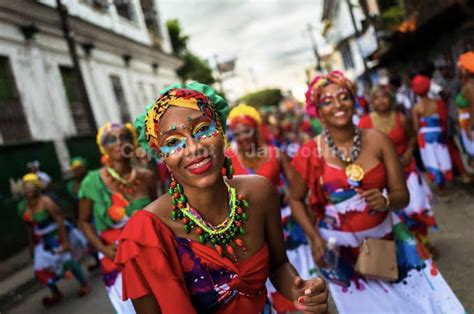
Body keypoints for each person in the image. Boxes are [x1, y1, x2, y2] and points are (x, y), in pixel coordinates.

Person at [114, 83, 328, 314]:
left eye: (203, 128)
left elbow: (278, 266)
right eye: (173, 142)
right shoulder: (145, 234)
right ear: (160, 155)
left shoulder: (260, 193)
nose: (193, 148)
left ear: (222, 133)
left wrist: (301, 292)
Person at [289, 71, 464, 313]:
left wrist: (386, 200)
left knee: (424, 304)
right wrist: (314, 237)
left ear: (354, 101)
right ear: (317, 111)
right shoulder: (309, 152)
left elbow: (402, 196)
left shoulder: (378, 140)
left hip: (389, 241)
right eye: (327, 101)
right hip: (341, 253)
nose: (338, 105)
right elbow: (295, 199)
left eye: (343, 97)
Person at [226, 103, 316, 312]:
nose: (242, 137)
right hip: (252, 230)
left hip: (285, 225)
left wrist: (284, 193)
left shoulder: (275, 154)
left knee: (299, 277)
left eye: (246, 131)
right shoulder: (228, 158)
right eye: (236, 133)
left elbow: (297, 188)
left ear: (256, 129)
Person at [78, 122, 156, 313]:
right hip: (116, 257)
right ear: (103, 147)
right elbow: (83, 221)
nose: (119, 142)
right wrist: (103, 249)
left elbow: (158, 214)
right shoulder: (91, 182)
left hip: (151, 253)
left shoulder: (146, 176)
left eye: (124, 137)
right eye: (111, 139)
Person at [359, 86, 438, 254]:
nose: (381, 101)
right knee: (397, 214)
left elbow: (411, 137)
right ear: (372, 102)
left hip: (407, 170)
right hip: (383, 177)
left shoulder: (401, 118)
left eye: (384, 97)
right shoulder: (365, 123)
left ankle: (423, 242)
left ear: (391, 99)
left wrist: (409, 152)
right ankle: (409, 249)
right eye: (377, 98)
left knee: (416, 207)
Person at [19, 173, 90, 307]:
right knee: (41, 269)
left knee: (67, 261)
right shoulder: (23, 207)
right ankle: (55, 292)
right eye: (25, 187)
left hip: (55, 235)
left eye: (31, 186)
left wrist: (64, 242)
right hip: (41, 241)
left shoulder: (46, 201)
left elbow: (60, 220)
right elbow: (29, 228)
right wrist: (31, 246)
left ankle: (84, 284)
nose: (28, 190)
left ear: (37, 188)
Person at [411, 74, 453, 196]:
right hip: (438, 134)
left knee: (432, 161)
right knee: (442, 157)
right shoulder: (437, 103)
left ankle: (441, 187)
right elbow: (443, 119)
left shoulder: (416, 108)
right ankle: (445, 179)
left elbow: (415, 127)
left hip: (425, 138)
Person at [457, 51, 474, 170]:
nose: (459, 68)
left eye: (461, 66)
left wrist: (469, 128)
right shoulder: (468, 84)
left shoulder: (470, 87)